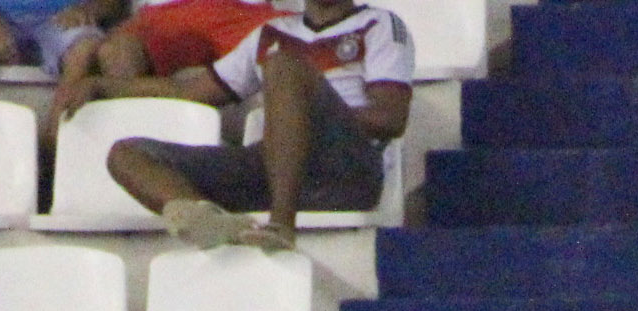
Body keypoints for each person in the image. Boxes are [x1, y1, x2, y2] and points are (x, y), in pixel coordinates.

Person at [108, 0, 411, 252]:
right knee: (127, 154)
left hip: (343, 172)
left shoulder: (380, 24)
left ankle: (280, 227)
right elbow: (193, 92)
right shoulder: (270, 33)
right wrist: (102, 87)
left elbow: (391, 118)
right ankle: (214, 223)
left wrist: (301, 115)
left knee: (282, 65)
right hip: (274, 164)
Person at [49, 0, 282, 143]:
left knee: (297, 48)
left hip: (242, 9)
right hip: (164, 12)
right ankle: (138, 151)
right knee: (114, 52)